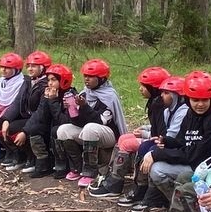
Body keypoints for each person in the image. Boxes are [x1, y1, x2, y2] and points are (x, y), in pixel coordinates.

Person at [134, 71, 211, 212]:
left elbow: (194, 155)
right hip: (192, 161)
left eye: (205, 100)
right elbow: (183, 141)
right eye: (195, 100)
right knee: (155, 165)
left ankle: (184, 209)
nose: (200, 104)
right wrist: (167, 141)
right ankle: (175, 204)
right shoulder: (191, 114)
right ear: (188, 99)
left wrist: (157, 154)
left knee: (158, 169)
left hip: (204, 166)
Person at [88, 66, 170, 199]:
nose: (140, 89)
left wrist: (144, 134)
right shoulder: (154, 102)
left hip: (158, 141)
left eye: (144, 86)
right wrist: (145, 128)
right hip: (153, 136)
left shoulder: (160, 106)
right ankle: (112, 177)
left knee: (127, 144)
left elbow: (162, 132)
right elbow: (156, 126)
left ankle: (116, 184)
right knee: (123, 138)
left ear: (154, 88)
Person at [116, 75, 189, 211]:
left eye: (167, 93)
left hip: (176, 148)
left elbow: (169, 135)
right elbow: (160, 130)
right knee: (144, 146)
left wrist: (152, 144)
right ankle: (139, 188)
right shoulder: (166, 110)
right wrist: (146, 130)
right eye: (162, 92)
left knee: (147, 149)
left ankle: (153, 197)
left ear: (177, 96)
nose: (162, 96)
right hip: (165, 142)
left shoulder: (182, 111)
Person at [55, 58, 127, 188]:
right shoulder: (84, 93)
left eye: (91, 77)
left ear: (101, 79)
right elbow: (77, 122)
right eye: (85, 76)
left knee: (90, 128)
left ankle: (90, 172)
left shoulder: (109, 96)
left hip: (109, 134)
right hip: (90, 132)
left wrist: (85, 107)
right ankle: (77, 168)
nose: (86, 79)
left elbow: (101, 121)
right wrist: (70, 108)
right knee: (63, 130)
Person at [0, 51, 51, 172]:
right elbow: (18, 101)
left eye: (33, 66)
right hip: (27, 117)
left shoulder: (46, 85)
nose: (29, 69)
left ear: (43, 68)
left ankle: (32, 157)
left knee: (15, 128)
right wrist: (5, 119)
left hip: (42, 119)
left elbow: (41, 112)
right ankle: (17, 154)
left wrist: (25, 131)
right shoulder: (28, 81)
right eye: (28, 66)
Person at [23, 63, 76, 179]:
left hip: (66, 131)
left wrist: (53, 101)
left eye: (54, 80)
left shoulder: (70, 96)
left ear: (63, 80)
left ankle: (62, 164)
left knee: (55, 130)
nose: (50, 83)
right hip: (51, 126)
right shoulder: (50, 92)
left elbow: (64, 121)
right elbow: (40, 115)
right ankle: (43, 164)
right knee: (35, 129)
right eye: (48, 80)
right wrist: (46, 99)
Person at [0, 53, 26, 164]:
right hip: (0, 115)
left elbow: (14, 106)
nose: (3, 70)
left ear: (17, 69)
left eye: (7, 68)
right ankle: (8, 150)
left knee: (4, 127)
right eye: (2, 67)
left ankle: (17, 152)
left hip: (13, 115)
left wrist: (1, 120)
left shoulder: (22, 83)